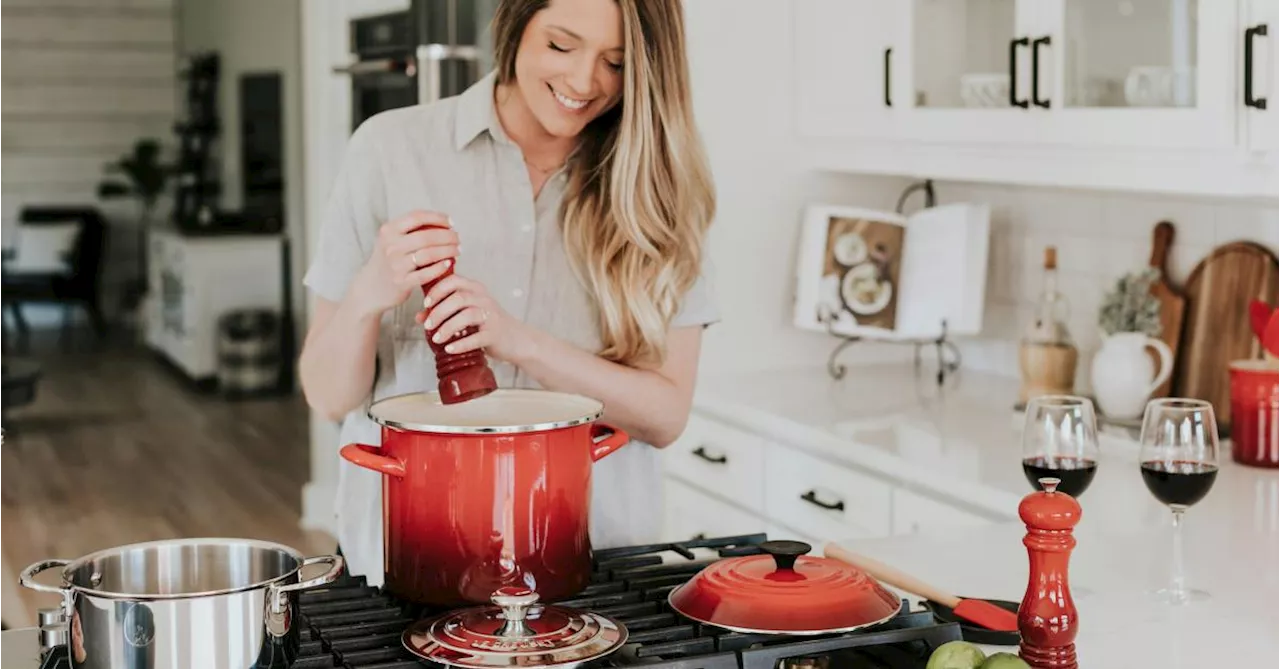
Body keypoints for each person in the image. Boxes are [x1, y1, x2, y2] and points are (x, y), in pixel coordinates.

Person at [298, 0, 718, 586]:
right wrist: (368, 293)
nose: (582, 81)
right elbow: (326, 394)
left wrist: (520, 343)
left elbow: (665, 416)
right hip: (405, 559)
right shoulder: (390, 150)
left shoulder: (660, 190)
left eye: (616, 63)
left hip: (597, 566)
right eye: (561, 45)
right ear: (516, 25)